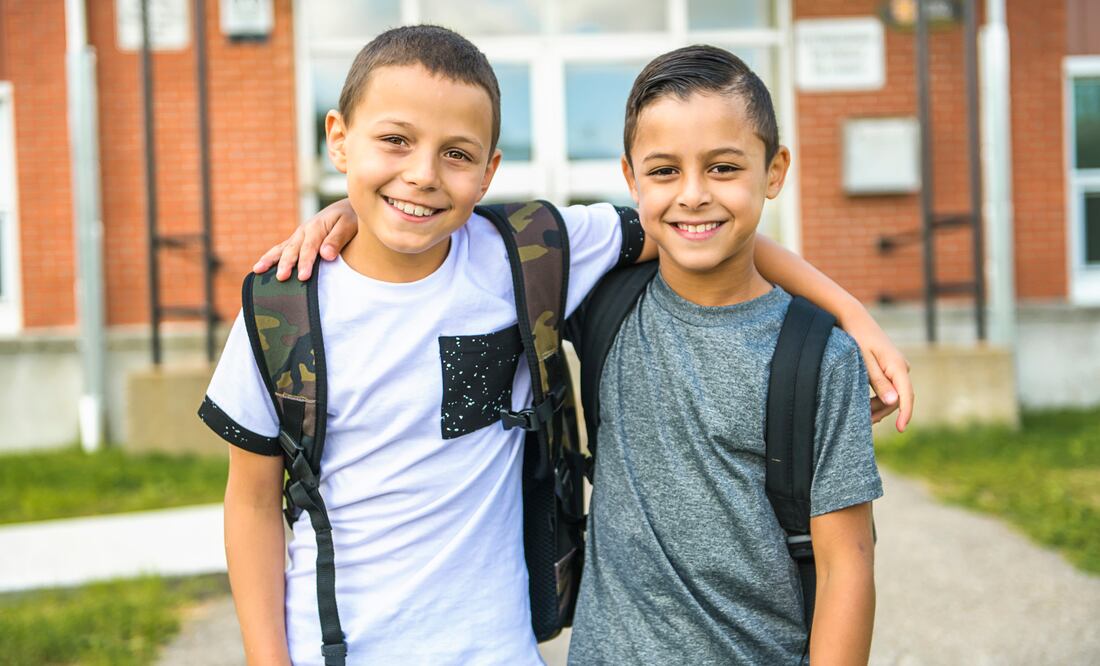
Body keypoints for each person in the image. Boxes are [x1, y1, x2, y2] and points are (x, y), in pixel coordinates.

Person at [229, 26, 910, 665]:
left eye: (457, 154)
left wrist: (850, 313)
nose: (423, 175)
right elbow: (252, 501)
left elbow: (704, 230)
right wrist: (347, 209)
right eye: (396, 143)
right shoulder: (286, 308)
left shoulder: (527, 256)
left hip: (503, 649)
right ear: (340, 140)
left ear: (490, 169)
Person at [562, 45, 880, 664]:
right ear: (630, 179)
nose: (693, 195)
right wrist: (351, 215)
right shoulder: (598, 299)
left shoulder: (821, 357)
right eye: (663, 171)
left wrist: (847, 313)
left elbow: (849, 568)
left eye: (724, 168)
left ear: (774, 170)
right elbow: (451, 246)